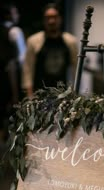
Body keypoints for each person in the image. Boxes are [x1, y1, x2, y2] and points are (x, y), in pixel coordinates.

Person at [22, 3, 78, 97]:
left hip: (62, 96)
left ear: (60, 18)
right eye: (48, 17)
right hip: (39, 95)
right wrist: (29, 97)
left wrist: (74, 94)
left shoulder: (70, 41)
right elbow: (28, 70)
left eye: (55, 17)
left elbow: (76, 70)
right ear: (43, 20)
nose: (51, 21)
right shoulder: (33, 41)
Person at [0, 2, 24, 141]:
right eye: (15, 13)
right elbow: (21, 58)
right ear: (9, 15)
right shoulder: (15, 31)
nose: (18, 15)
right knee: (11, 107)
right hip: (9, 76)